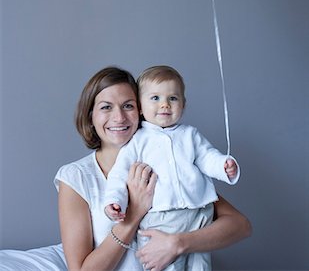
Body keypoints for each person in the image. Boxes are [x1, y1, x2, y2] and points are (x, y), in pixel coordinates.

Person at [0, 66, 251, 271]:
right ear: (90, 116)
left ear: (141, 111)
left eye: (128, 105)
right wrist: (135, 214)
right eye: (106, 107)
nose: (119, 117)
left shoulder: (169, 159)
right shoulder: (75, 177)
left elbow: (240, 225)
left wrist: (178, 243)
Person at [104, 65, 240, 270]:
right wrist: (115, 200)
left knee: (200, 265)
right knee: (166, 266)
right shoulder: (137, 141)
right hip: (161, 218)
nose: (165, 105)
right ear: (140, 106)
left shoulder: (190, 135)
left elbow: (206, 157)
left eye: (173, 98)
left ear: (183, 105)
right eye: (155, 98)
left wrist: (224, 165)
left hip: (198, 213)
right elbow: (119, 174)